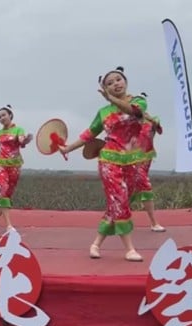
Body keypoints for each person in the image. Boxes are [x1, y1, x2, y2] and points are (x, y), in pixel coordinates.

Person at [59, 67, 145, 262]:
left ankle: (96, 243)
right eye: (110, 83)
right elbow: (89, 134)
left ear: (125, 81)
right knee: (119, 200)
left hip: (133, 162)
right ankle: (130, 249)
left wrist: (112, 99)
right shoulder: (103, 112)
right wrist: (68, 148)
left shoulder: (139, 101)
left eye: (118, 79)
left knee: (119, 204)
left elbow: (133, 112)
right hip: (109, 160)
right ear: (105, 89)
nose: (115, 84)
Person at [0, 104, 33, 231]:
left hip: (15, 165)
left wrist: (25, 140)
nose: (1, 118)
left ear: (10, 115)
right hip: (1, 165)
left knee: (7, 196)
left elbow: (21, 141)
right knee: (3, 191)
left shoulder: (18, 130)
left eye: (3, 115)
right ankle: (9, 225)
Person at [132, 94, 166, 232]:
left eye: (141, 104)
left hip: (146, 157)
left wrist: (150, 119)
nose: (138, 106)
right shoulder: (128, 122)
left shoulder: (152, 120)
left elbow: (159, 129)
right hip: (130, 159)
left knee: (135, 187)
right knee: (143, 185)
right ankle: (154, 222)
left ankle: (116, 217)